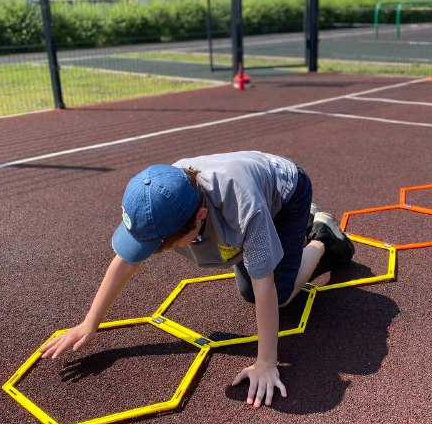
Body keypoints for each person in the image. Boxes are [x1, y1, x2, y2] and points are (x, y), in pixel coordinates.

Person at [42, 151, 355, 408]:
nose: (156, 251)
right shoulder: (162, 194)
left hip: (287, 194)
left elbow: (266, 288)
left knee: (280, 293)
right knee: (244, 261)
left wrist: (266, 362)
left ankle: (322, 236)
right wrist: (89, 323)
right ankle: (288, 241)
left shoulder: (245, 210)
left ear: (200, 218)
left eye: (163, 243)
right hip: (247, 195)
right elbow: (125, 263)